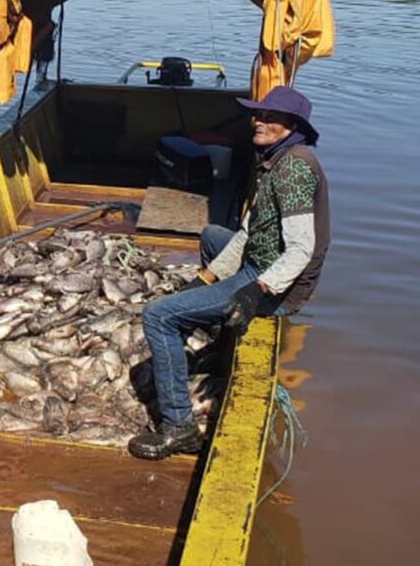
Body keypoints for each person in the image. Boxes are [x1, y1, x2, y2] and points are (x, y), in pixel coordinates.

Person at [129, 86, 331, 461]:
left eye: (268, 116)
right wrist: (204, 278)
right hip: (259, 259)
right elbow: (247, 233)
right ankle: (214, 331)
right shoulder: (273, 161)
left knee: (157, 316)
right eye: (256, 114)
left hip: (272, 283)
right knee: (211, 236)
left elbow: (302, 249)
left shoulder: (295, 170)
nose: (258, 121)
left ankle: (179, 426)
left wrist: (257, 290)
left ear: (292, 125)